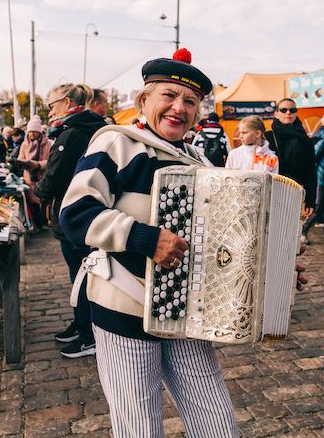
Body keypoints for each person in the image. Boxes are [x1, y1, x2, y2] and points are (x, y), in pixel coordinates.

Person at [60, 49, 239, 436]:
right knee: (139, 427)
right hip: (124, 307)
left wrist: (266, 263)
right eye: (169, 96)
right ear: (144, 100)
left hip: (186, 311)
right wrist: (145, 237)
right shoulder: (118, 145)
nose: (179, 107)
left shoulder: (200, 162)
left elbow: (223, 237)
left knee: (217, 422)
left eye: (190, 101)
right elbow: (75, 213)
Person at [34, 83, 106, 358]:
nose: (50, 110)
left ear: (65, 102)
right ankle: (81, 324)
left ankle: (89, 336)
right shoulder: (84, 128)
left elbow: (58, 175)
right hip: (81, 211)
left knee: (81, 276)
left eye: (52, 105)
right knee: (79, 274)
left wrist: (38, 191)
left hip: (74, 213)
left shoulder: (72, 133)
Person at [265, 98, 317, 240]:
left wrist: (311, 200)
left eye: (292, 110)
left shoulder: (305, 139)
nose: (288, 113)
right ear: (276, 113)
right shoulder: (268, 137)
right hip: (272, 191)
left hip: (294, 192)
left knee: (289, 235)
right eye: (283, 110)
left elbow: (311, 170)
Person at [302, 114, 324, 242]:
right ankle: (303, 230)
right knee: (320, 206)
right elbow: (314, 155)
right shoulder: (323, 137)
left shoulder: (318, 134)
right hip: (323, 176)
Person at [19, 119, 52, 229]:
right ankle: (37, 224)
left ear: (39, 131)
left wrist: (38, 164)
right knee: (32, 203)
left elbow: (51, 161)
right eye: (30, 131)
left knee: (43, 201)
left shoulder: (47, 144)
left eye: (35, 131)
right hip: (29, 178)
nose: (32, 134)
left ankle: (44, 222)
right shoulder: (24, 144)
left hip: (42, 177)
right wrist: (24, 163)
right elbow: (21, 158)